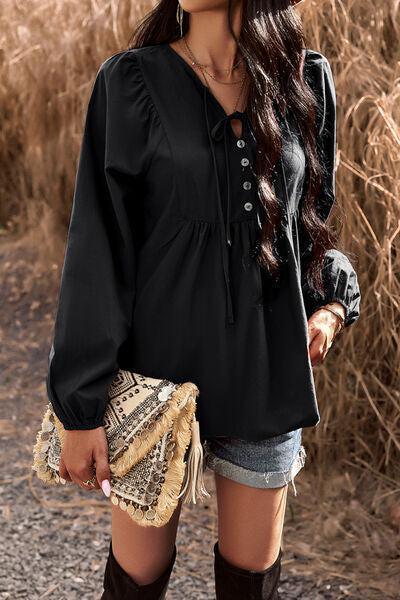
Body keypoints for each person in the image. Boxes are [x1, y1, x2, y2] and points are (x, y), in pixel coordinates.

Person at [45, 0, 361, 598]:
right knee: (134, 586)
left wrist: (334, 304)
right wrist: (79, 406)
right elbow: (98, 247)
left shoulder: (305, 80)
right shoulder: (131, 82)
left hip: (264, 377)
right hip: (153, 386)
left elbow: (311, 226)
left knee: (250, 586)